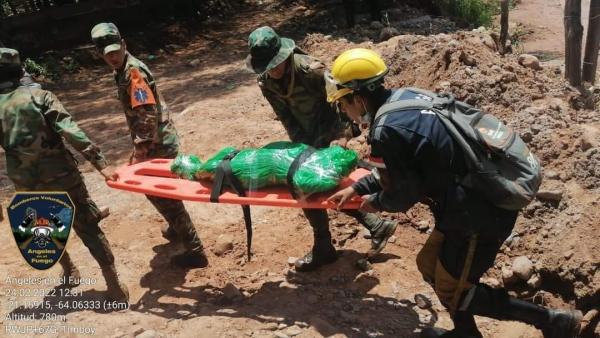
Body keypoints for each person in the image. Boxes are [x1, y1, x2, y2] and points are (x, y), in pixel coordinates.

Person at [326, 48, 582, 338]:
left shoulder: (386, 129)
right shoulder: (406, 97)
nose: (344, 112)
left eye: (342, 104)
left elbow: (403, 193)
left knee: (454, 289)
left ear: (358, 98)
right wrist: (357, 188)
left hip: (478, 212)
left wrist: (374, 203)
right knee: (429, 265)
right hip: (463, 204)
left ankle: (553, 321)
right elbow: (401, 169)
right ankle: (466, 333)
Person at [246, 26, 397, 272]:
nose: (272, 71)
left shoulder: (310, 70)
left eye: (275, 64)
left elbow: (342, 99)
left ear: (285, 56)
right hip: (305, 136)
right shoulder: (265, 81)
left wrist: (342, 137)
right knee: (303, 183)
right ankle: (364, 230)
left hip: (331, 132)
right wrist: (299, 149)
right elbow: (285, 116)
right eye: (267, 67)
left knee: (323, 184)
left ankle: (330, 244)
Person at [0, 47, 128, 302]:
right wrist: (100, 164)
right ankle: (114, 285)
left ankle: (69, 271)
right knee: (87, 225)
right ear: (19, 69)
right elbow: (71, 131)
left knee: (41, 227)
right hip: (61, 175)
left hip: (25, 181)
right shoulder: (40, 96)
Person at [91, 22, 207, 268]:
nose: (112, 57)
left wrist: (140, 151)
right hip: (157, 139)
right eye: (106, 53)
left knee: (164, 197)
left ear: (124, 45)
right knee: (164, 195)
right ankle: (177, 230)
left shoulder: (133, 72)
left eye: (115, 51)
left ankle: (195, 251)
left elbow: (145, 115)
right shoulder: (122, 68)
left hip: (157, 143)